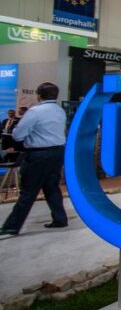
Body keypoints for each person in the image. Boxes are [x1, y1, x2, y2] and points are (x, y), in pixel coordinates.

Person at [1, 83, 68, 236]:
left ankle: (12, 226)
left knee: (28, 191)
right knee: (52, 187)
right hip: (57, 153)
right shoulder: (60, 111)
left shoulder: (35, 112)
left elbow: (18, 135)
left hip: (38, 155)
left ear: (39, 95)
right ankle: (60, 219)